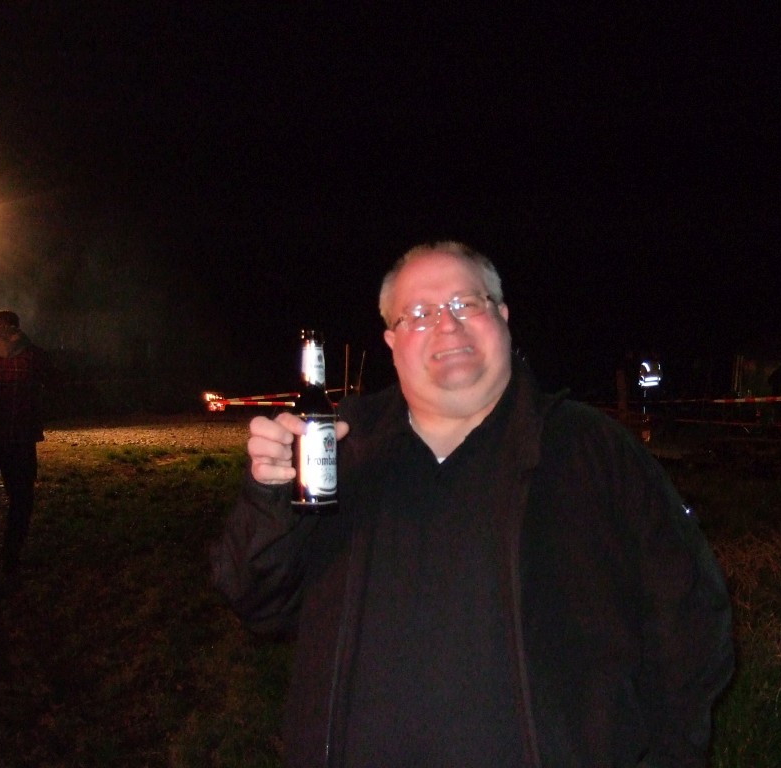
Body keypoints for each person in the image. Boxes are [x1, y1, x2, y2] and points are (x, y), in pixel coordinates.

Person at [212, 241, 734, 767]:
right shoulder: (337, 455)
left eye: (466, 303)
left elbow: (691, 626)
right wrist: (271, 499)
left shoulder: (593, 450)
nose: (447, 325)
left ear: (502, 317)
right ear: (391, 341)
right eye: (419, 313)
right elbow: (260, 604)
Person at [0, 310, 49, 597]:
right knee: (21, 501)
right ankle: (11, 558)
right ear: (16, 326)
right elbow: (51, 389)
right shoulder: (34, 356)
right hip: (20, 441)